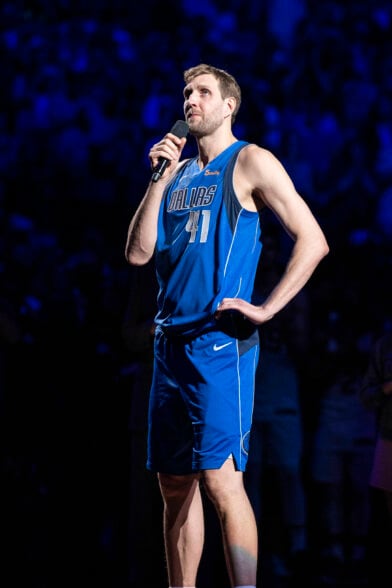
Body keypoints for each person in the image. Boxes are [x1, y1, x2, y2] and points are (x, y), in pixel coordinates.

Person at [124, 63, 329, 588]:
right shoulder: (179, 173)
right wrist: (159, 178)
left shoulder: (250, 161)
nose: (190, 99)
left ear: (228, 104)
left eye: (203, 92)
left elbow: (313, 239)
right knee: (174, 484)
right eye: (186, 93)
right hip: (169, 343)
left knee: (221, 481)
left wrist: (266, 308)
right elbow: (138, 252)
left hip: (220, 344)